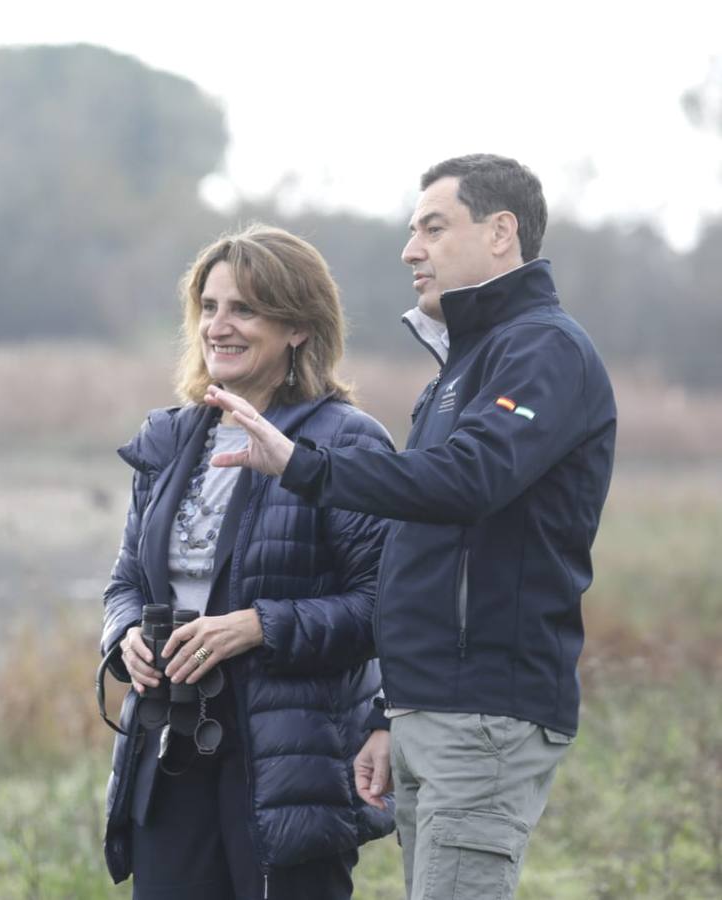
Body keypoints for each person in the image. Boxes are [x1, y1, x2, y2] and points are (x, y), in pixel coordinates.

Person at [204, 154, 617, 900]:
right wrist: (389, 710)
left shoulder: (543, 351)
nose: (410, 250)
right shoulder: (462, 369)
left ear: (501, 233)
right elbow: (419, 555)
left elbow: (468, 481)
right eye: (411, 230)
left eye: (432, 227)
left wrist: (306, 465)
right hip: (434, 707)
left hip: (484, 709)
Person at [99, 225, 395, 899]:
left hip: (287, 763)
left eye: (245, 309)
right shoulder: (170, 438)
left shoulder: (344, 441)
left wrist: (258, 626)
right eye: (209, 307)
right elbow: (124, 583)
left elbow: (386, 607)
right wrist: (123, 640)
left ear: (297, 327)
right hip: (169, 744)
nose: (219, 326)